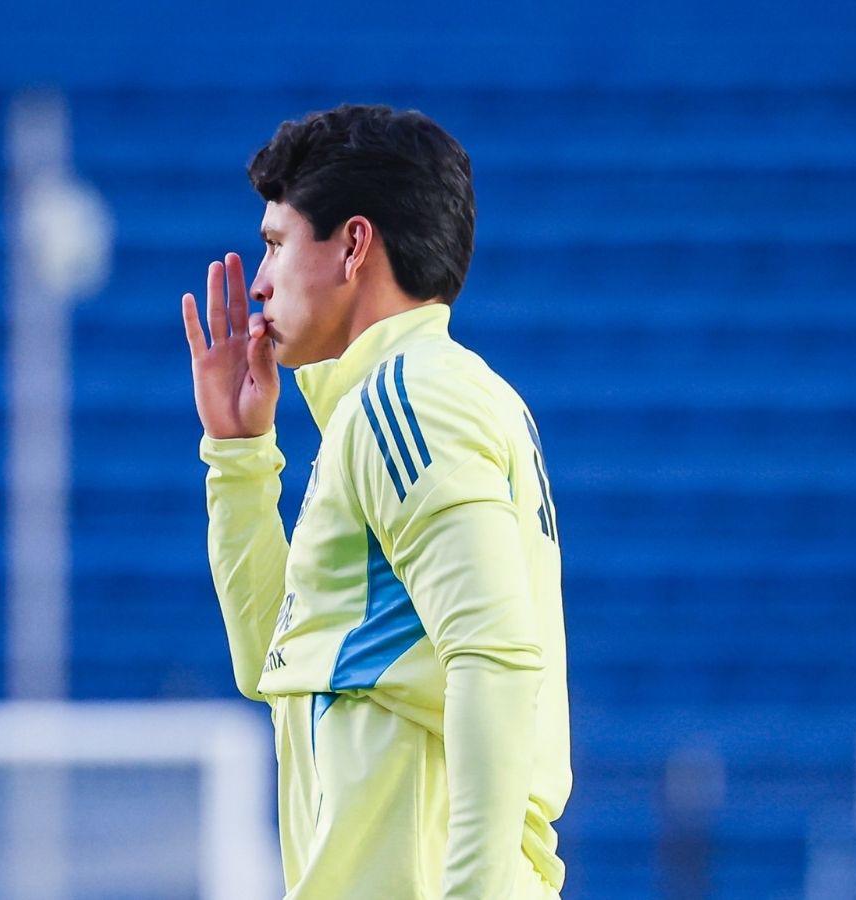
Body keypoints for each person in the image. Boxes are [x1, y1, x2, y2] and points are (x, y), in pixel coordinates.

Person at [181, 103, 571, 899]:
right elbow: (274, 664)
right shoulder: (386, 407)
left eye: (277, 245)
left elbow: (492, 659)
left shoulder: (412, 399)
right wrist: (240, 458)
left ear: (354, 245)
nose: (257, 284)